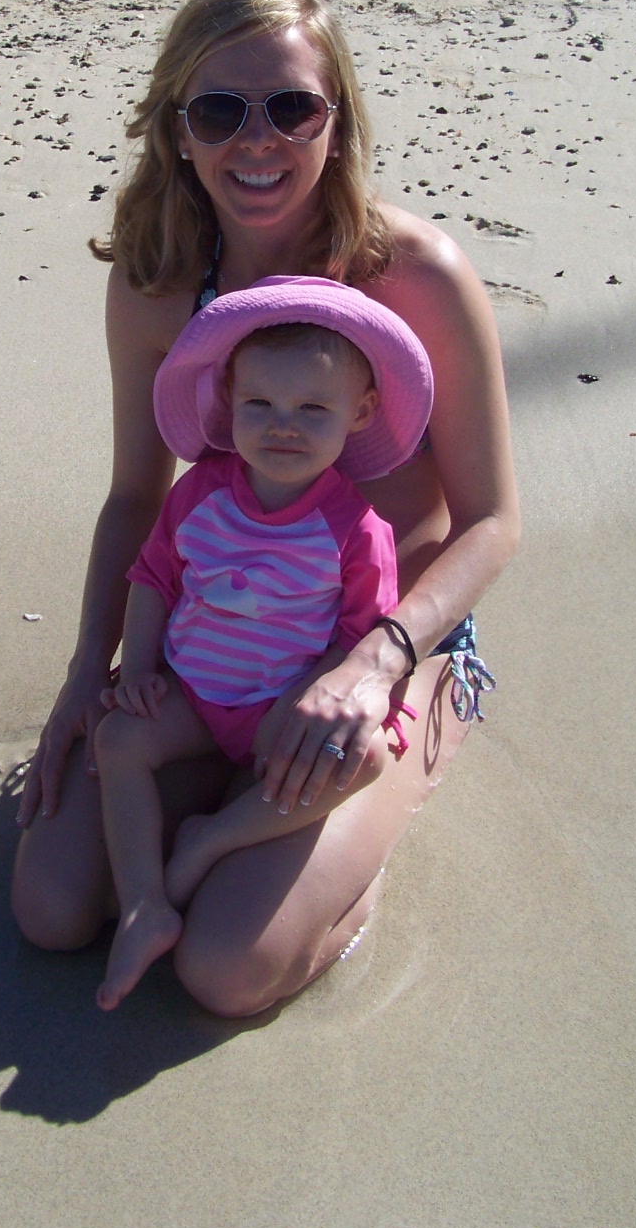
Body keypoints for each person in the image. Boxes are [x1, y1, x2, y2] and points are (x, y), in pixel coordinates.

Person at [11, 0, 520, 1018]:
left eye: (292, 107)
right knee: (51, 906)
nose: (259, 140)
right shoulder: (155, 285)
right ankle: (236, 798)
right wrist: (87, 673)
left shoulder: (417, 274)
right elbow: (135, 501)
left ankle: (392, 783)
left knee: (227, 966)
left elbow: (491, 521)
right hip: (218, 646)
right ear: (178, 131)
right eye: (219, 110)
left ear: (338, 122)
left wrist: (377, 662)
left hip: (387, 646)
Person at [93, 283, 434, 1011]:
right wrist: (140, 668)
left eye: (313, 409)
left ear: (360, 413)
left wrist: (307, 701)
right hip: (193, 695)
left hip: (281, 711)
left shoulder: (355, 528)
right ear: (229, 400)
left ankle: (212, 838)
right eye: (260, 404)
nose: (284, 427)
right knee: (118, 738)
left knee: (366, 759)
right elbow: (153, 578)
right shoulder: (200, 494)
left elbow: (358, 642)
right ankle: (143, 904)